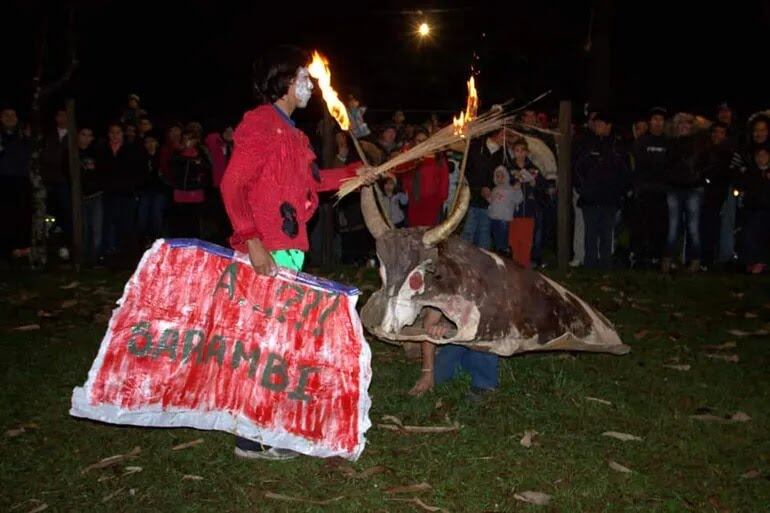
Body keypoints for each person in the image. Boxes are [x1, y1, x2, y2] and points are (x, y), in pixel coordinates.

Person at [219, 45, 373, 460]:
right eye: (305, 79)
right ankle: (256, 436)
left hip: (288, 247)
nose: (311, 85)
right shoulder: (261, 123)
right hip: (269, 248)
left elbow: (315, 180)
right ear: (288, 84)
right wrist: (251, 239)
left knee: (278, 339)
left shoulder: (290, 132)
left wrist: (359, 174)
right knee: (268, 341)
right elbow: (232, 185)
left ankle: (257, 431)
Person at [574, 112, 630, 269]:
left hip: (610, 199)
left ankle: (606, 264)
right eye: (596, 124)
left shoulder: (617, 147)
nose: (598, 127)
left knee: (607, 233)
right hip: (590, 199)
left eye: (601, 124)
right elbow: (577, 169)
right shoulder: (586, 145)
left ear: (608, 126)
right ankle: (589, 264)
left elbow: (624, 173)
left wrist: (619, 192)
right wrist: (583, 189)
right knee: (590, 233)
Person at [663, 112, 703, 272]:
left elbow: (704, 163)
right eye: (680, 123)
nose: (684, 126)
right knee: (673, 227)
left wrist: (701, 179)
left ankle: (695, 260)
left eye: (687, 123)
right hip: (674, 188)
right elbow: (666, 165)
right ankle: (667, 259)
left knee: (693, 227)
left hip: (693, 189)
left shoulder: (698, 143)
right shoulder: (671, 143)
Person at [97, 122, 144, 257]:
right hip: (109, 192)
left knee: (126, 223)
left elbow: (138, 170)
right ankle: (110, 251)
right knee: (109, 222)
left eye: (118, 132)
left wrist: (133, 186)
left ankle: (126, 254)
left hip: (127, 193)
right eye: (112, 132)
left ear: (123, 134)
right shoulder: (103, 149)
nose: (115, 135)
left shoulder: (132, 149)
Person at [631, 107, 669, 268]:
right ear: (650, 122)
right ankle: (640, 258)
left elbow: (670, 165)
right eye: (655, 119)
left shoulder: (669, 142)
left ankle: (657, 257)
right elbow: (639, 165)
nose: (657, 123)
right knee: (642, 226)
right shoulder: (641, 142)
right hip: (644, 191)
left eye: (660, 120)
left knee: (660, 227)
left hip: (662, 193)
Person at [461, 128, 506, 250]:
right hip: (473, 198)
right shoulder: (476, 147)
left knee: (484, 233)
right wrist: (478, 188)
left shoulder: (504, 154)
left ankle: (482, 262)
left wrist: (492, 190)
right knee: (469, 230)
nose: (505, 138)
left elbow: (503, 175)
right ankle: (463, 260)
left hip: (490, 200)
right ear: (497, 133)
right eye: (503, 134)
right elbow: (466, 171)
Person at [698, 122, 734, 268]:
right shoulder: (705, 152)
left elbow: (730, 173)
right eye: (715, 132)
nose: (717, 135)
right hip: (707, 194)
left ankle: (718, 258)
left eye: (721, 132)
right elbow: (701, 172)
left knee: (720, 228)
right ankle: (706, 258)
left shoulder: (730, 153)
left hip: (724, 195)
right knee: (706, 226)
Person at [508, 139, 548, 268]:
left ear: (527, 152)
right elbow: (500, 182)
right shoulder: (509, 167)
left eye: (522, 151)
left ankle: (528, 260)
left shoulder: (533, 168)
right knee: (514, 235)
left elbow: (543, 185)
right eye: (517, 151)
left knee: (529, 235)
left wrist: (534, 184)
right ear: (513, 152)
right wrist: (513, 184)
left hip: (530, 207)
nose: (520, 154)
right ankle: (514, 260)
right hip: (513, 208)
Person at [399, 128, 449, 227]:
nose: (422, 143)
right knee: (415, 228)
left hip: (432, 201)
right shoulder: (409, 156)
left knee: (430, 229)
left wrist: (442, 197)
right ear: (414, 141)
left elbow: (444, 178)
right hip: (415, 201)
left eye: (424, 140)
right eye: (419, 140)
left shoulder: (438, 157)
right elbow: (404, 174)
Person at [168, 128, 211, 238]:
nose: (188, 141)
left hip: (195, 193)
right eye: (185, 138)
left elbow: (207, 168)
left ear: (196, 140)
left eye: (191, 138)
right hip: (180, 192)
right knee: (180, 222)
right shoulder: (176, 152)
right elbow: (172, 167)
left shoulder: (201, 152)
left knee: (194, 222)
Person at [0, 107, 31, 259]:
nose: (10, 118)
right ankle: (8, 248)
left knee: (22, 212)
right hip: (4, 179)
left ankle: (21, 247)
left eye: (13, 115)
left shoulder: (23, 134)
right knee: (5, 214)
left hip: (21, 178)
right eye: (6, 115)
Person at [40, 108, 71, 259]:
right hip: (49, 180)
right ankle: (47, 247)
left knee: (65, 214)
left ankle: (65, 247)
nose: (63, 118)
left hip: (65, 182)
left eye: (66, 115)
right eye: (60, 114)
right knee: (48, 214)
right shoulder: (49, 135)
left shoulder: (73, 135)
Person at [739, 147, 770, 274]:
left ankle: (762, 262)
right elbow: (743, 187)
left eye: (764, 155)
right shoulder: (751, 172)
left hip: (766, 209)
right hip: (752, 208)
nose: (761, 158)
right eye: (758, 155)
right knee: (749, 234)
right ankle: (751, 261)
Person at [136, 132, 169, 245]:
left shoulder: (162, 156)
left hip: (159, 191)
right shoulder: (142, 157)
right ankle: (145, 239)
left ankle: (157, 240)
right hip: (145, 191)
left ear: (157, 143)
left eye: (152, 141)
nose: (149, 144)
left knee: (156, 215)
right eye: (147, 142)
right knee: (142, 217)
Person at [77, 127, 103, 266]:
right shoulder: (72, 152)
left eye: (89, 135)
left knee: (96, 228)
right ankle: (83, 259)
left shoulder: (97, 153)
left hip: (96, 194)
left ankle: (94, 259)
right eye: (83, 134)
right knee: (84, 228)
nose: (86, 138)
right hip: (79, 196)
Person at [487, 166, 515, 255]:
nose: (499, 179)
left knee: (503, 240)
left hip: (504, 218)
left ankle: (505, 254)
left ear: (506, 176)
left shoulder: (510, 189)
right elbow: (492, 201)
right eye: (497, 176)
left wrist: (517, 190)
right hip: (494, 217)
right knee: (496, 239)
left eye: (502, 176)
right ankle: (498, 254)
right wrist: (487, 197)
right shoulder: (495, 189)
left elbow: (518, 199)